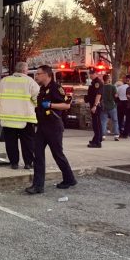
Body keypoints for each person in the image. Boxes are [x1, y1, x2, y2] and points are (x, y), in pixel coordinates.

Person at [25, 65, 76, 194]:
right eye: (36, 74)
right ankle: (38, 186)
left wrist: (51, 105)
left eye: (39, 74)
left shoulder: (56, 88)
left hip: (54, 126)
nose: (36, 76)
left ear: (47, 75)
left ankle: (69, 178)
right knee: (38, 155)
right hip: (42, 126)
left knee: (57, 154)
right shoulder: (42, 89)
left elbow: (66, 105)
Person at [0, 62, 40, 169]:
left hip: (7, 118)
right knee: (28, 142)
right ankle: (28, 163)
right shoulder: (30, 82)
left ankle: (14, 163)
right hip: (25, 118)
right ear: (25, 71)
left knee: (11, 142)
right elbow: (37, 99)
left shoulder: (4, 81)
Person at [86, 68, 103, 148]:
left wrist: (95, 106)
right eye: (90, 73)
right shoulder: (93, 82)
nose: (91, 75)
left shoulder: (97, 82)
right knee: (96, 123)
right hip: (93, 105)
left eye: (92, 73)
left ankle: (97, 142)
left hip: (95, 106)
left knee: (97, 124)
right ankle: (96, 138)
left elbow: (98, 94)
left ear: (96, 73)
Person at [100, 74, 120, 141]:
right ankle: (116, 135)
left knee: (103, 121)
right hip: (112, 105)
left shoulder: (101, 87)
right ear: (108, 79)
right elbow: (116, 96)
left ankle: (103, 135)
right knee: (115, 120)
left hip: (104, 106)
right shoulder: (113, 87)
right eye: (110, 78)